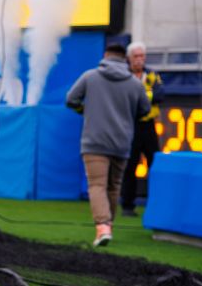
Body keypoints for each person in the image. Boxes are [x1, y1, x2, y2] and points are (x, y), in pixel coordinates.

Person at [65, 44, 150, 247]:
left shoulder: (90, 76)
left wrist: (85, 111)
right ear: (125, 59)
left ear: (105, 56)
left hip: (94, 141)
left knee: (97, 185)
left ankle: (102, 227)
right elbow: (145, 110)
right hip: (121, 142)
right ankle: (108, 226)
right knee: (113, 187)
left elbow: (71, 100)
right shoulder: (135, 83)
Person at [119, 43, 163, 217]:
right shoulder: (123, 75)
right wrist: (146, 95)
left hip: (149, 125)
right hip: (130, 124)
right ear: (129, 58)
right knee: (130, 166)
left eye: (142, 56)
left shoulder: (152, 74)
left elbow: (160, 95)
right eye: (136, 56)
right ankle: (127, 205)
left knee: (155, 164)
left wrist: (141, 96)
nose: (139, 60)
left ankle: (158, 202)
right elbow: (123, 97)